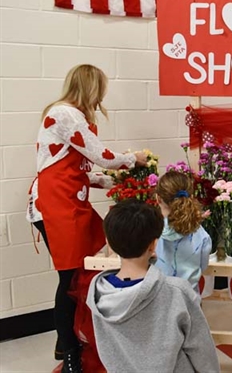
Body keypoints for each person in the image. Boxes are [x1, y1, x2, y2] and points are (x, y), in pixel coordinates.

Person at [25, 64, 147, 372]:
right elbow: (101, 156)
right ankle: (69, 352)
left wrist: (107, 182)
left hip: (67, 201)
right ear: (92, 87)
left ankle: (66, 338)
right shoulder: (66, 115)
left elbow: (73, 168)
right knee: (70, 278)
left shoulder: (67, 114)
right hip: (55, 205)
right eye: (101, 89)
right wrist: (134, 161)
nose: (102, 97)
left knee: (80, 271)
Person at [87, 199, 220, 373]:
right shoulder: (176, 292)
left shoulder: (97, 294)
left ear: (110, 243)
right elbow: (202, 351)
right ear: (153, 244)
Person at [154, 170, 212, 296]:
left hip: (156, 302)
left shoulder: (149, 231)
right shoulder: (200, 234)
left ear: (158, 198)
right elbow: (203, 266)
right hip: (189, 300)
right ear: (190, 197)